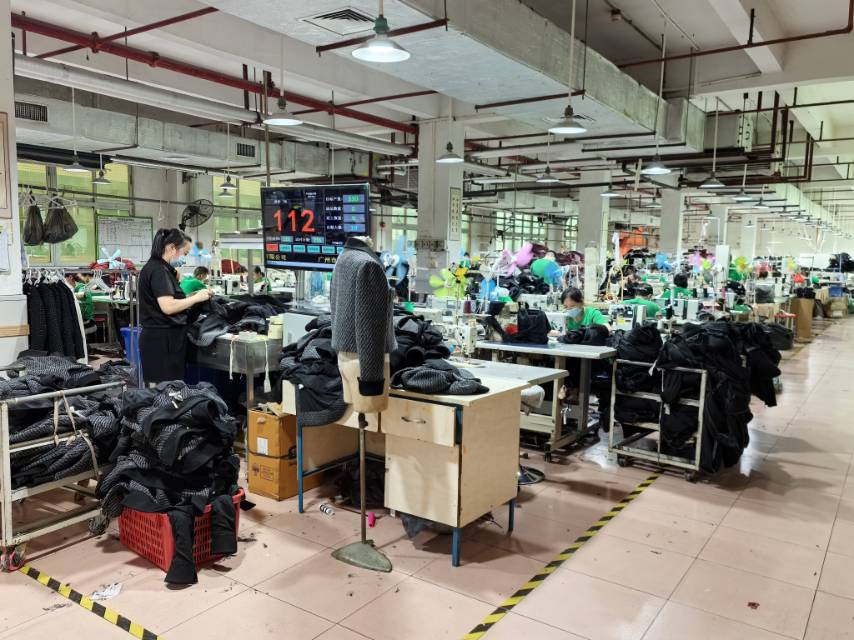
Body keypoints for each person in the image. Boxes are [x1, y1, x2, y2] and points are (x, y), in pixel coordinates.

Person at [138, 228, 212, 384]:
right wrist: (196, 298)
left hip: (163, 339)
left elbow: (168, 300)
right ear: (171, 248)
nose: (184, 259)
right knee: (166, 391)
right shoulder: (159, 270)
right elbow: (168, 306)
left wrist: (193, 297)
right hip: (162, 342)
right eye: (184, 253)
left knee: (165, 389)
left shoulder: (157, 268)